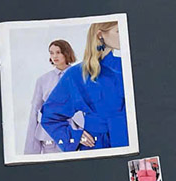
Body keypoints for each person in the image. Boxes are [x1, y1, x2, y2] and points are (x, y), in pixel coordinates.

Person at [40, 21, 128, 151]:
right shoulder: (76, 74)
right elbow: (50, 115)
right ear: (100, 35)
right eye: (118, 31)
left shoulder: (128, 66)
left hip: (132, 140)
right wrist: (74, 136)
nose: (124, 35)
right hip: (98, 146)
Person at [23, 40, 79, 155]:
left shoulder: (80, 76)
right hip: (49, 137)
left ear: (66, 53)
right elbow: (34, 112)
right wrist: (31, 151)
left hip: (76, 135)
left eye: (58, 52)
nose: (54, 56)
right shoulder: (43, 80)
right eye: (51, 53)